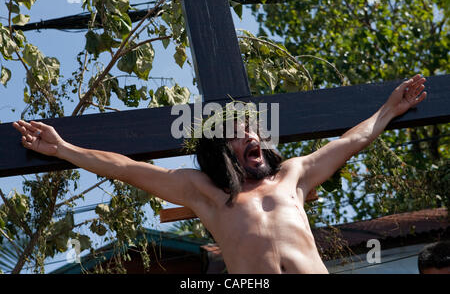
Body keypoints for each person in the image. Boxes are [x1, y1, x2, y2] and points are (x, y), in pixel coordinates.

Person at [13, 74, 427, 274]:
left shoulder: (293, 176)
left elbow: (351, 141)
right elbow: (126, 168)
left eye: (252, 131)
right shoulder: (205, 192)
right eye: (236, 135)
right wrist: (64, 148)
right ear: (219, 154)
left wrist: (390, 109)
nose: (251, 138)